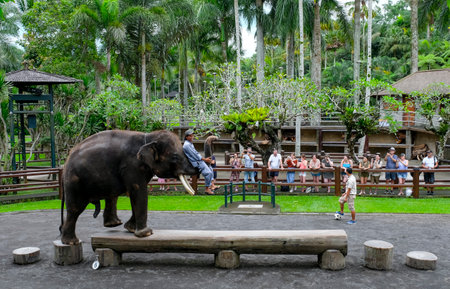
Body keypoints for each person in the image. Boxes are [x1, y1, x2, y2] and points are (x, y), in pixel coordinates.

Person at [183, 129, 216, 195]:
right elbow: (195, 155)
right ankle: (207, 189)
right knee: (208, 173)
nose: (192, 137)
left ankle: (211, 185)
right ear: (186, 137)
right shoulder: (187, 145)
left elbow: (196, 153)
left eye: (192, 135)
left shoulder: (190, 144)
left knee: (210, 168)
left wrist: (205, 159)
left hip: (199, 160)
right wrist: (205, 159)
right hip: (196, 162)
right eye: (190, 136)